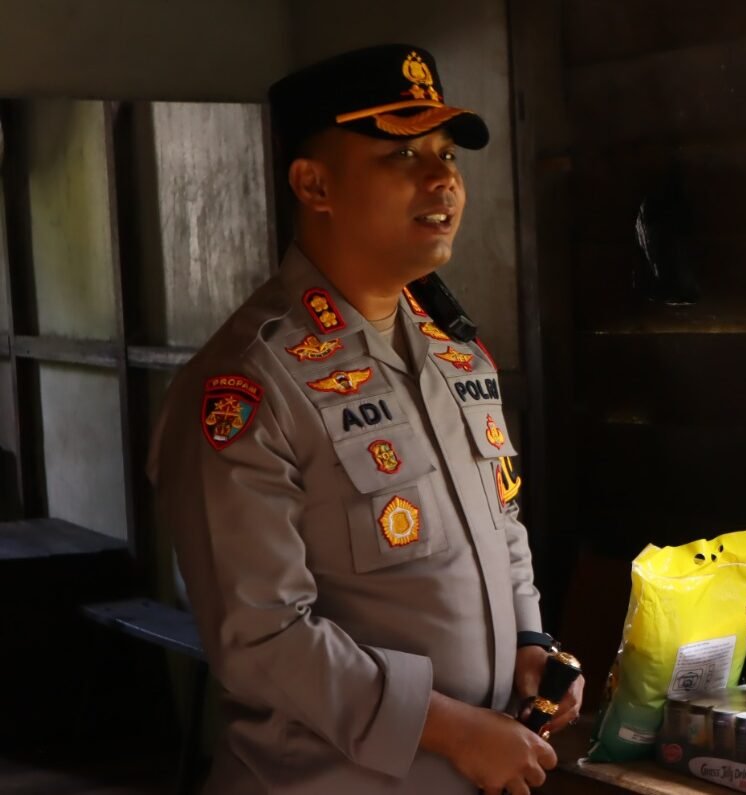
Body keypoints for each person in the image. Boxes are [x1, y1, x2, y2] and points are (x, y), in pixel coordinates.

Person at [148, 44, 582, 794]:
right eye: (402, 153)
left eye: (446, 152)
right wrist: (450, 728)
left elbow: (502, 524)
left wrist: (530, 640)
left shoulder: (456, 354)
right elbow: (263, 637)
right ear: (314, 184)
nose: (442, 177)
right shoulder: (251, 382)